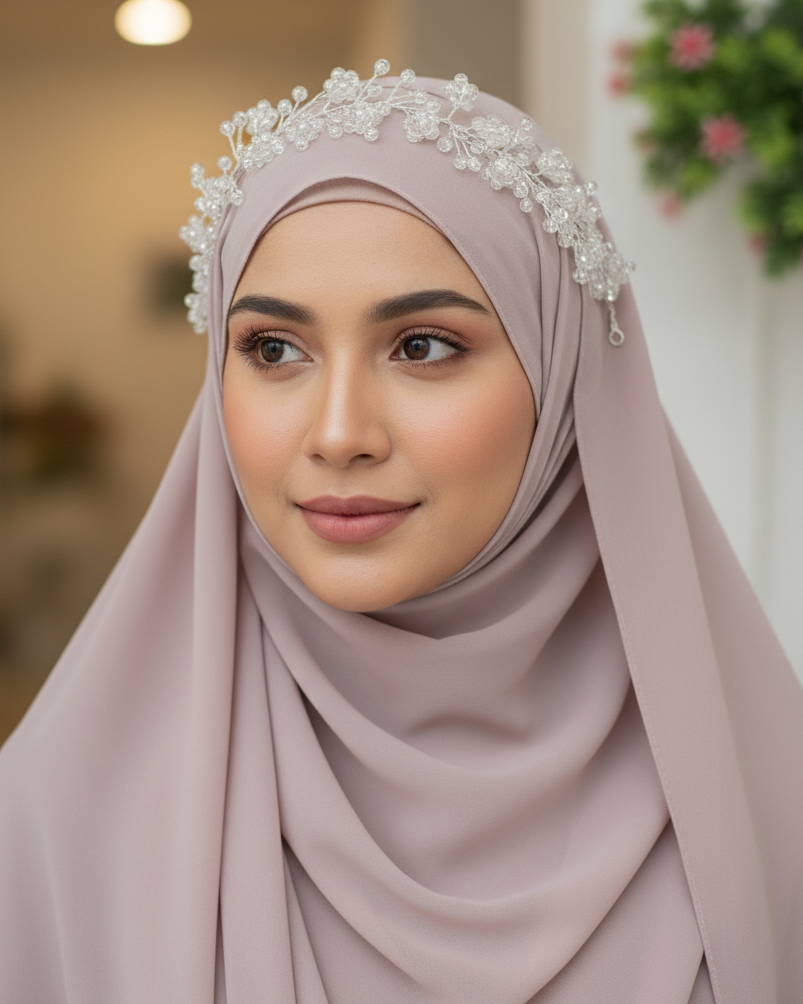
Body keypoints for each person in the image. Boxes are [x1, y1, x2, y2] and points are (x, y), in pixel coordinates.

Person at [0, 62, 801, 1004]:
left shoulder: (765, 812)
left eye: (422, 346)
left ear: (562, 378)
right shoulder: (57, 826)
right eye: (273, 349)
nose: (339, 434)